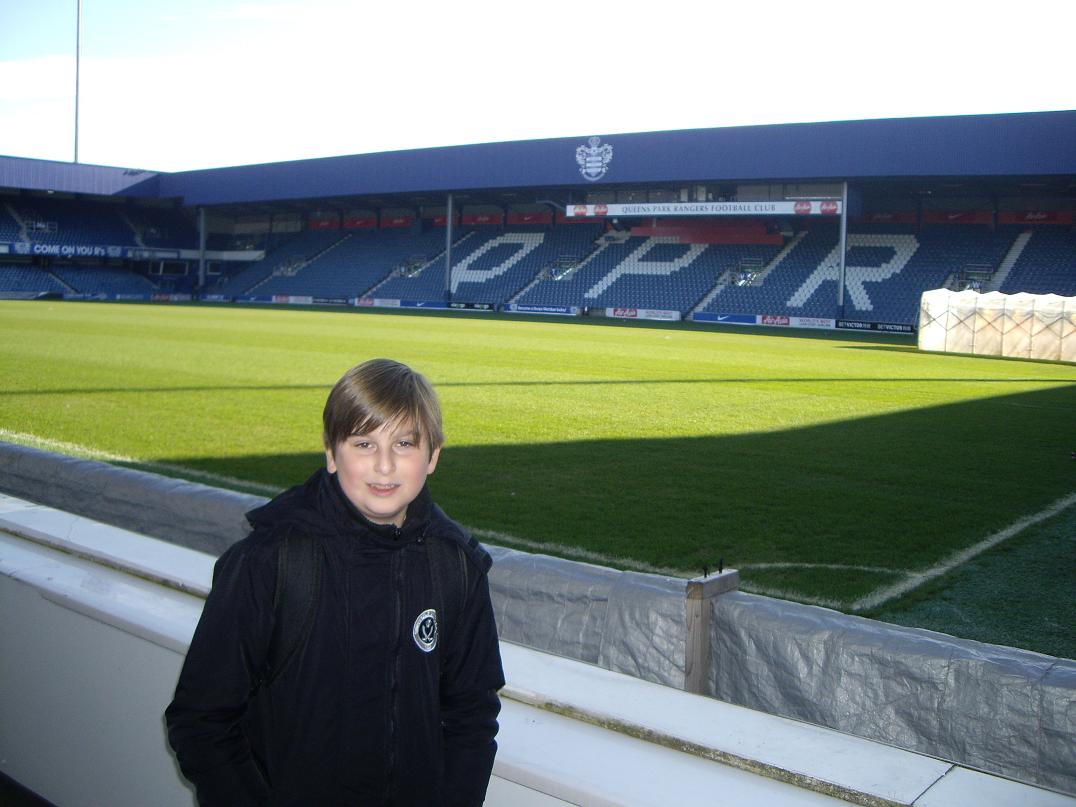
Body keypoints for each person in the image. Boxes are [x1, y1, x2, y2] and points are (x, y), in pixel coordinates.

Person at [166, 358, 505, 806]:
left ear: (433, 456)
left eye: (404, 443)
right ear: (331, 453)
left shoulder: (456, 565)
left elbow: (472, 714)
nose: (385, 465)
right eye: (364, 443)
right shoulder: (270, 561)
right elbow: (201, 720)